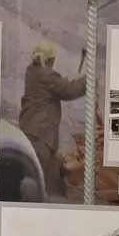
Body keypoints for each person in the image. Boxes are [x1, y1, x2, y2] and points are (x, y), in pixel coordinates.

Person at [18, 41, 87, 197]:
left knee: (39, 176)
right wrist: (87, 80)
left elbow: (57, 87)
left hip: (32, 129)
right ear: (51, 59)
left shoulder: (32, 70)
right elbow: (69, 91)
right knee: (42, 180)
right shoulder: (46, 74)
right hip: (40, 132)